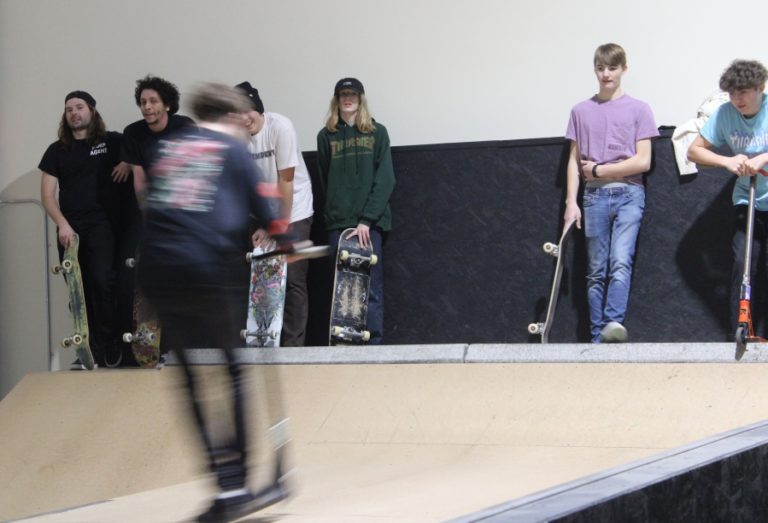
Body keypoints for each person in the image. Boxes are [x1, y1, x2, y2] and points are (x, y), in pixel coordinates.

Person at [137, 83, 292, 522]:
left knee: (188, 378)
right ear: (232, 119)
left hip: (157, 270)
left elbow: (156, 208)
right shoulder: (231, 148)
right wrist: (290, 239)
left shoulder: (168, 148)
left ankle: (222, 489)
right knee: (235, 371)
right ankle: (241, 486)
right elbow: (272, 217)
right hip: (203, 266)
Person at [563, 43, 659, 343]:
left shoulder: (640, 109)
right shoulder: (580, 111)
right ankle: (596, 339)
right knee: (595, 269)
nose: (606, 74)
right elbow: (574, 160)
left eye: (612, 68)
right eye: (601, 68)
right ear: (595, 69)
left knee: (620, 261)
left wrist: (600, 170)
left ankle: (612, 325)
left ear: (623, 69)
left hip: (629, 193)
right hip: (592, 197)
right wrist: (571, 203)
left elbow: (643, 161)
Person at [39, 90, 131, 368]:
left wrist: (127, 161)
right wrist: (62, 224)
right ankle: (86, 350)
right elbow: (46, 194)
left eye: (79, 107)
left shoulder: (111, 141)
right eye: (69, 109)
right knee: (78, 292)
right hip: (70, 232)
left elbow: (139, 149)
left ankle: (108, 344)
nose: (74, 113)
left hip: (102, 226)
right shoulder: (57, 150)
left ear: (91, 111)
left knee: (103, 282)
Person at [687, 59, 768, 335]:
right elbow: (694, 151)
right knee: (744, 262)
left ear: (760, 87)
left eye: (744, 92)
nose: (737, 99)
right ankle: (743, 328)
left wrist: (763, 158)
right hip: (748, 199)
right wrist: (727, 162)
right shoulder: (725, 114)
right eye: (733, 93)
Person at [317, 77, 395, 344]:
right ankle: (343, 344)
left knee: (370, 285)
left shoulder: (377, 132)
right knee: (341, 288)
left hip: (368, 225)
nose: (347, 99)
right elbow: (325, 179)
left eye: (352, 94)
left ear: (361, 99)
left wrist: (366, 220)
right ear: (336, 100)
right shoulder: (325, 136)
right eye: (342, 94)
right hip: (338, 224)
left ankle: (373, 344)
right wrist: (334, 216)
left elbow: (386, 180)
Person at [236, 81, 314, 346]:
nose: (244, 118)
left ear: (258, 109)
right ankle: (265, 341)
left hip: (295, 209)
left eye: (248, 111)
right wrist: (260, 225)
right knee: (265, 280)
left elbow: (286, 181)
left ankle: (293, 347)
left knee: (292, 278)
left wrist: (277, 227)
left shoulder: (280, 127)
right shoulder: (238, 139)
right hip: (264, 213)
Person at [122, 75, 195, 204]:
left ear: (167, 105)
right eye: (143, 102)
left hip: (184, 197)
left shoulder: (185, 126)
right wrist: (146, 213)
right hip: (153, 200)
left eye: (153, 101)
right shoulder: (132, 133)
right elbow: (139, 179)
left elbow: (194, 171)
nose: (147, 107)